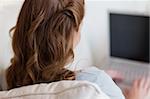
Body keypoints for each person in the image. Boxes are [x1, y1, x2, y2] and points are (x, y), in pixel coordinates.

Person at [4, 0, 149, 99]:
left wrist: (87, 76)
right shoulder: (94, 83)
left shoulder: (10, 82)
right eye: (80, 23)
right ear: (71, 35)